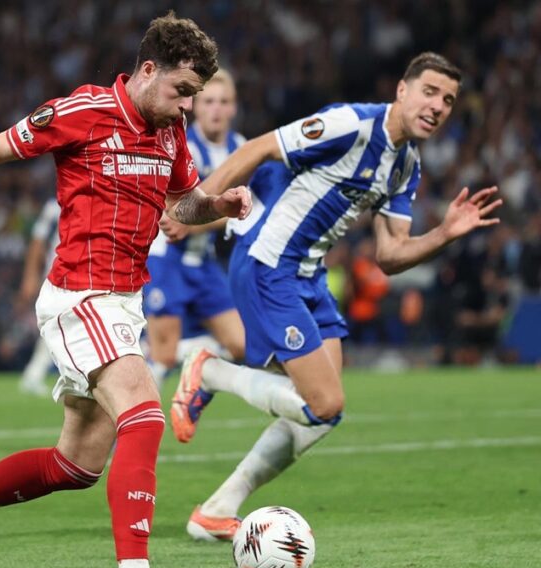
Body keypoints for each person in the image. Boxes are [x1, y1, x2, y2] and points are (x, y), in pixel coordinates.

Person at [0, 13, 251, 568]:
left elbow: (182, 203)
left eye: (195, 94)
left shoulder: (170, 128)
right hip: (80, 296)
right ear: (148, 70)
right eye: (182, 90)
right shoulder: (84, 111)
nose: (188, 105)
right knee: (145, 416)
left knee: (76, 465)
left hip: (124, 302)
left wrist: (218, 205)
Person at [168, 52, 502, 541]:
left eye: (448, 100)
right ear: (403, 90)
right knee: (323, 403)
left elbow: (390, 255)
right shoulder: (352, 124)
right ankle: (210, 370)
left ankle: (217, 509)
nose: (437, 106)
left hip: (310, 277)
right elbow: (259, 148)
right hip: (269, 263)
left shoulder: (405, 166)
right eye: (429, 92)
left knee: (324, 414)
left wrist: (445, 233)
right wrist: (194, 205)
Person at [143, 68, 246, 389]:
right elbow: (168, 210)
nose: (216, 109)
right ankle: (134, 422)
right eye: (209, 101)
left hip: (204, 263)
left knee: (242, 346)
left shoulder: (241, 148)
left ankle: (194, 361)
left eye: (223, 102)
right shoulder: (179, 145)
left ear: (233, 107)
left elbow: (245, 211)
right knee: (163, 356)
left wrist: (195, 224)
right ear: (196, 106)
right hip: (166, 260)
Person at [16, 196, 60, 396]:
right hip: (58, 275)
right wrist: (30, 276)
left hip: (83, 275)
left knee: (57, 327)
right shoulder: (54, 206)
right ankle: (34, 375)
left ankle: (34, 374)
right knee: (57, 325)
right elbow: (37, 241)